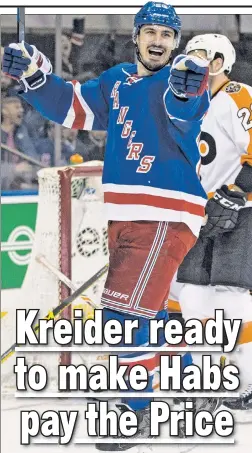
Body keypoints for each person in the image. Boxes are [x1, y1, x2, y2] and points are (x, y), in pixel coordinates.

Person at [3, 2, 211, 449]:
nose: (159, 41)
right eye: (151, 31)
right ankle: (196, 382)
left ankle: (136, 410)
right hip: (126, 216)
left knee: (120, 317)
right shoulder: (117, 81)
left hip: (164, 216)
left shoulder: (177, 81)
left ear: (176, 43)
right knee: (150, 314)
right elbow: (73, 107)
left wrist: (190, 80)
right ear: (135, 36)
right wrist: (35, 73)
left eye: (168, 35)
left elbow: (187, 104)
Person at [173, 33, 252, 421]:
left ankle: (247, 381)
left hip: (241, 210)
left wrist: (239, 191)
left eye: (209, 57)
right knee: (190, 295)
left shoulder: (238, 95)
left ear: (224, 62)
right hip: (198, 213)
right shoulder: (186, 105)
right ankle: (206, 379)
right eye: (194, 57)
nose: (202, 64)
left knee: (232, 296)